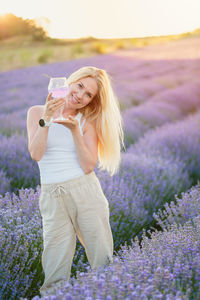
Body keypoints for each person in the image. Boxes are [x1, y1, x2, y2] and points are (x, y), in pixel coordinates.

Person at [26, 66, 124, 296]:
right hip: (52, 196)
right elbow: (36, 154)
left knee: (102, 261)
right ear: (70, 81)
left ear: (91, 101)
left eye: (89, 94)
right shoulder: (35, 112)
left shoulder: (86, 121)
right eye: (80, 86)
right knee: (54, 269)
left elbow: (88, 165)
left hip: (85, 192)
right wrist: (47, 118)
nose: (80, 95)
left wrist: (74, 131)